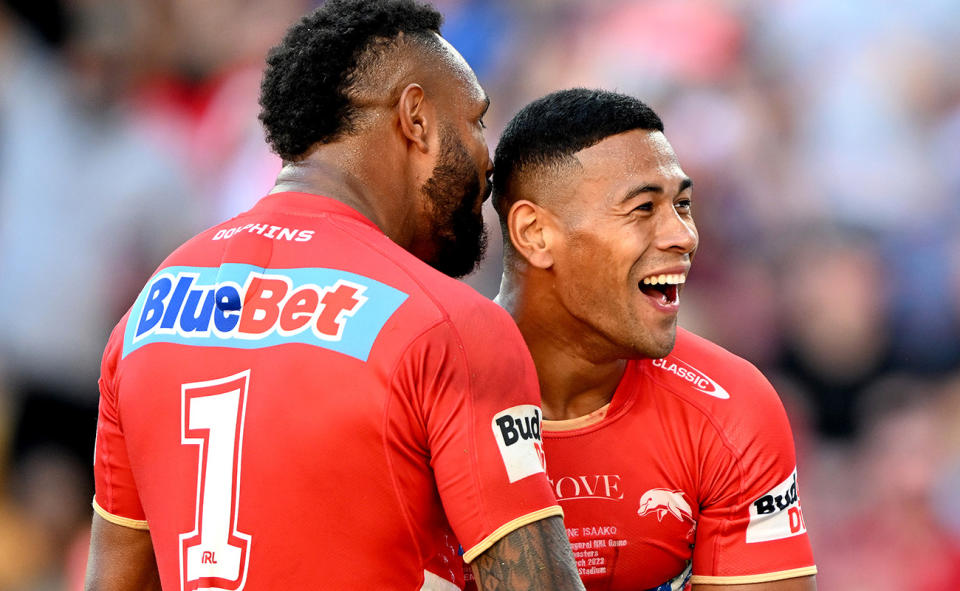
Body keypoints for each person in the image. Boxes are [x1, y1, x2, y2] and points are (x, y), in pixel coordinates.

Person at [83, 2, 584, 590]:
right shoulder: (450, 324)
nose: (487, 156)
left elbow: (113, 582)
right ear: (415, 118)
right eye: (475, 121)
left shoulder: (149, 310)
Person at [490, 89, 817, 590]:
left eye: (683, 204)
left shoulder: (730, 406)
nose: (684, 236)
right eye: (644, 208)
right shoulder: (421, 388)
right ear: (535, 233)